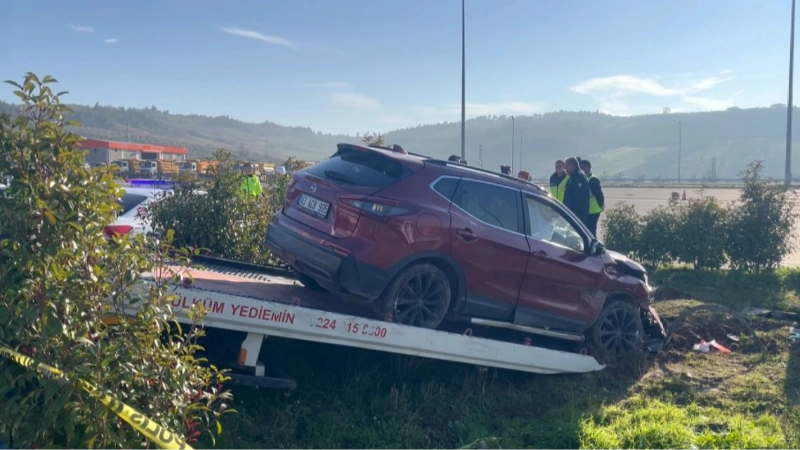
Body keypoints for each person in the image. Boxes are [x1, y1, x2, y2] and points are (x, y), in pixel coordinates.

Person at [579, 159, 605, 237]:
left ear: (588, 168)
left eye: (583, 167)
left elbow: (599, 195)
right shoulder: (582, 178)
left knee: (591, 231)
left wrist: (601, 205)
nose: (581, 169)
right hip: (586, 211)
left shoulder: (592, 180)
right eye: (580, 167)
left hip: (593, 211)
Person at [562, 157, 590, 225]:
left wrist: (574, 214)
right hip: (571, 213)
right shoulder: (573, 177)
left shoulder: (579, 177)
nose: (565, 167)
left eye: (566, 165)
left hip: (577, 214)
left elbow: (580, 199)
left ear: (572, 165)